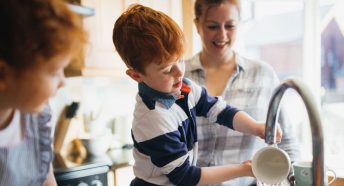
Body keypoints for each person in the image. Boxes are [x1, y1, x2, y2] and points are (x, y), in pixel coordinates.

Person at [112, 4, 282, 186]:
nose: (179, 72)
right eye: (167, 69)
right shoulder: (152, 119)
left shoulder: (182, 88)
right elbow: (186, 177)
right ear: (136, 75)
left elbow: (221, 111)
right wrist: (245, 169)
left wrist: (256, 127)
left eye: (179, 60)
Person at [184, 0, 300, 185]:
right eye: (212, 26)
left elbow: (287, 143)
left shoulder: (263, 75)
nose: (222, 34)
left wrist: (292, 179)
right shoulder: (178, 77)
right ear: (197, 24)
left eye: (230, 26)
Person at [0, 0, 86, 185]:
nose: (63, 82)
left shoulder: (38, 117)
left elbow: (46, 178)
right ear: (3, 75)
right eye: (54, 72)